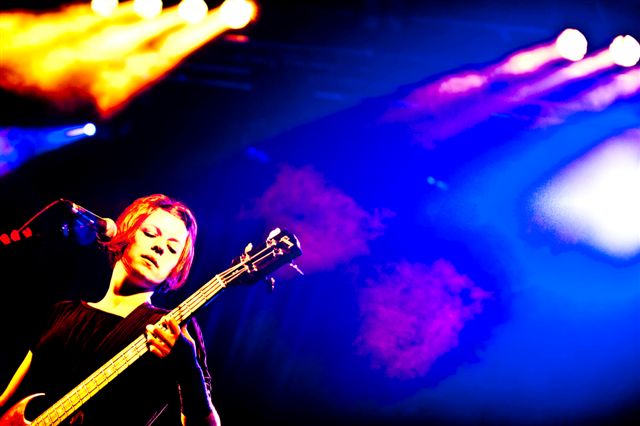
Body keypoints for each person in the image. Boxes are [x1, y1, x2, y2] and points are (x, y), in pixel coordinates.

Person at [0, 194, 221, 426]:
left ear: (176, 267)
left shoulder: (172, 327)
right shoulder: (61, 312)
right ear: (125, 234)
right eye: (150, 234)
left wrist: (188, 369)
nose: (159, 247)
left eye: (172, 248)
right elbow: (6, 402)